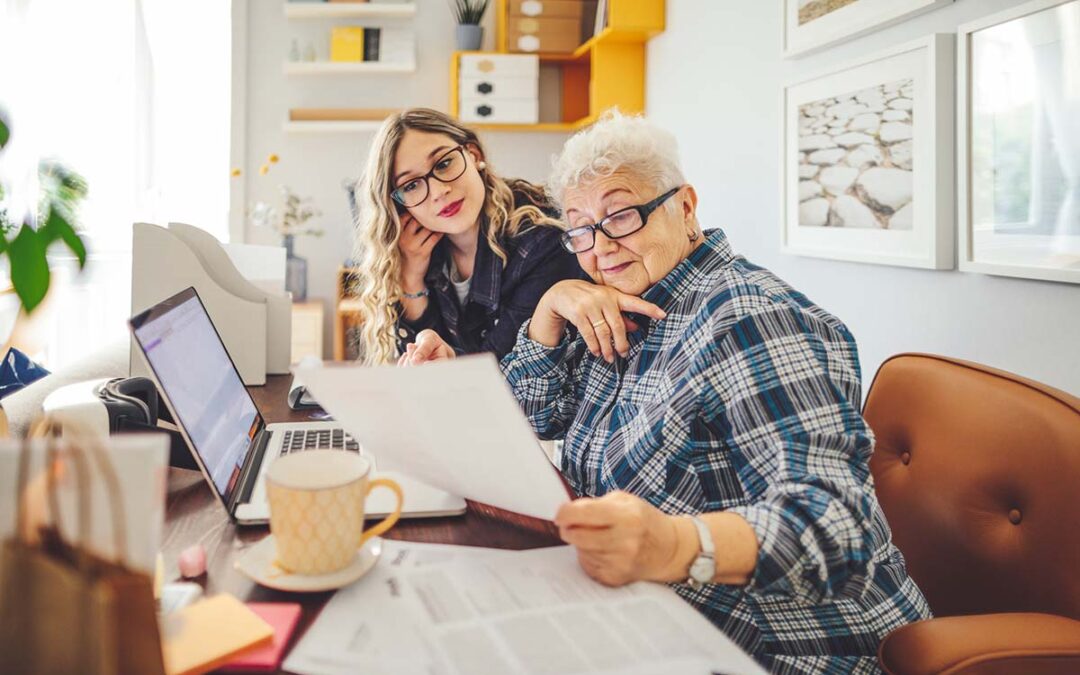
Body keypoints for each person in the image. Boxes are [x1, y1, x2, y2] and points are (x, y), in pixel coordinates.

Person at [402, 111, 931, 673]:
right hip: (648, 614)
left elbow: (838, 527)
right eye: (579, 228)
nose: (599, 247)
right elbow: (536, 416)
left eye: (621, 216)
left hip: (785, 651)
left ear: (684, 207)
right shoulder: (631, 304)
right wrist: (547, 317)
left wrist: (674, 545)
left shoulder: (749, 319)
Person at [352, 108, 581, 365]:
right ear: (400, 205)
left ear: (473, 156)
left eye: (444, 163)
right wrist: (412, 279)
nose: (439, 191)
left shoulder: (540, 240)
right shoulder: (420, 249)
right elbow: (424, 365)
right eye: (411, 185)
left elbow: (502, 372)